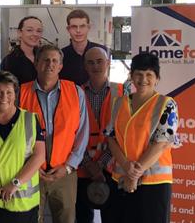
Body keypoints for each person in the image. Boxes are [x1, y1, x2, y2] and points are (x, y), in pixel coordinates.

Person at [105, 52, 180, 223]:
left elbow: (160, 145)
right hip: (121, 180)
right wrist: (126, 166)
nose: (143, 79)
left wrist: (134, 176)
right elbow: (111, 138)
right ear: (131, 76)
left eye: (149, 75)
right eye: (138, 74)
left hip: (154, 183)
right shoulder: (119, 103)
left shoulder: (166, 104)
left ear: (157, 78)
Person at [19, 44, 89, 223]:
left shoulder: (76, 92)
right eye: (45, 60)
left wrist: (68, 167)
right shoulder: (20, 93)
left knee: (66, 218)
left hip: (64, 173)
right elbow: (15, 136)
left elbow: (82, 134)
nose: (50, 64)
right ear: (36, 63)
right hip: (29, 172)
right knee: (30, 218)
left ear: (60, 66)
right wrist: (30, 167)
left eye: (54, 61)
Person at [0, 71, 45, 222]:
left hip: (22, 204)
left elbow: (39, 156)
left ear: (16, 95)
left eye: (9, 92)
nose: (4, 97)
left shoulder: (30, 119)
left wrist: (15, 183)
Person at [75, 47, 123, 223]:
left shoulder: (122, 92)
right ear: (85, 66)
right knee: (82, 218)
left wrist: (100, 165)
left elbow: (123, 133)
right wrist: (89, 164)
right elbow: (71, 133)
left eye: (100, 61)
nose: (95, 65)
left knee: (113, 217)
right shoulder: (75, 93)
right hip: (81, 168)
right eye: (90, 62)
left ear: (108, 63)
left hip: (112, 168)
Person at [60, 9, 106, 86]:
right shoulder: (60, 55)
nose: (78, 30)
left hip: (97, 97)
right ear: (68, 29)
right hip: (70, 97)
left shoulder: (102, 51)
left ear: (88, 27)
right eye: (74, 27)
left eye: (82, 26)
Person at [2, 16, 43, 84]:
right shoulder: (10, 61)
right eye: (29, 30)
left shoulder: (44, 57)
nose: (35, 34)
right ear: (19, 32)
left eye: (39, 31)